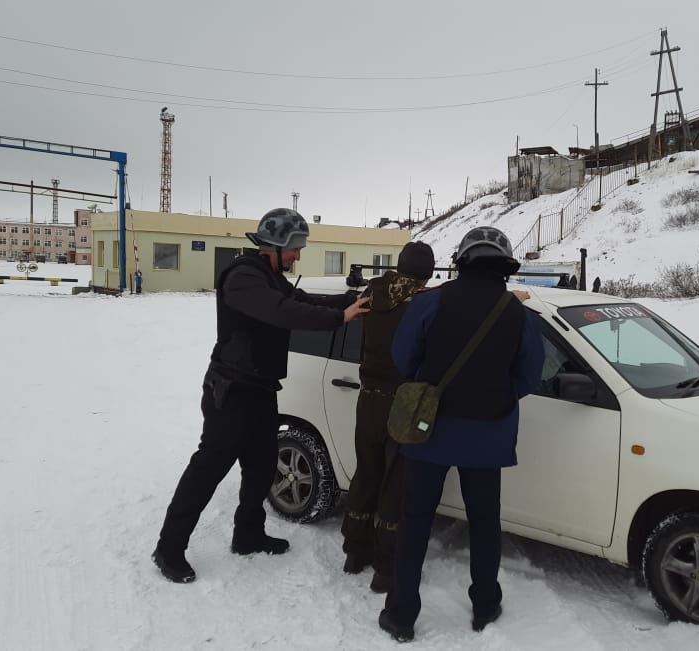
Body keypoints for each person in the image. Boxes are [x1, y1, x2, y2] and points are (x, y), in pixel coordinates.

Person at [152, 208, 370, 583]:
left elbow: (302, 299)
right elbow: (284, 311)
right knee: (208, 470)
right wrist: (341, 318)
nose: (298, 256)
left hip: (260, 389)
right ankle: (169, 548)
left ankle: (248, 533)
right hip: (231, 392)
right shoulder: (243, 278)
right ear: (275, 244)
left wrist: (351, 299)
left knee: (261, 465)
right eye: (295, 248)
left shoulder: (269, 275)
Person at [379, 226, 544, 642]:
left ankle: (401, 615)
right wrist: (496, 394)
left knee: (415, 520)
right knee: (485, 522)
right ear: (504, 268)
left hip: (429, 431)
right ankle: (485, 605)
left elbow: (402, 358)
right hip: (489, 436)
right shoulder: (520, 315)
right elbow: (528, 377)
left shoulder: (430, 303)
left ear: (462, 261)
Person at [341, 241, 437, 594]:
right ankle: (385, 567)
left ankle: (354, 552)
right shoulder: (423, 305)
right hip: (403, 403)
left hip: (368, 400)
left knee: (366, 474)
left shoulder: (373, 293)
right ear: (425, 274)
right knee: (396, 484)